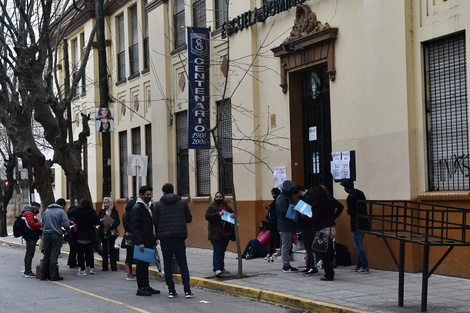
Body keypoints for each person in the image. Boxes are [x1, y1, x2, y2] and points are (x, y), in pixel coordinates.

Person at [153, 183, 193, 298]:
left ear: (163, 192)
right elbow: (189, 218)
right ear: (173, 190)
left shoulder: (159, 205)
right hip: (179, 238)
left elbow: (154, 221)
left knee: (168, 264)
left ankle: (171, 290)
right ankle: (187, 291)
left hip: (165, 238)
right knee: (183, 264)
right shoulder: (182, 202)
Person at [131, 186, 160, 296]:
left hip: (149, 239)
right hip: (142, 241)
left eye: (150, 195)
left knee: (146, 264)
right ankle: (140, 287)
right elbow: (135, 227)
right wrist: (140, 242)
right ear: (141, 195)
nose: (149, 197)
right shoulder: (137, 208)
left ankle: (146, 285)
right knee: (141, 265)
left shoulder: (149, 207)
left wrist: (155, 237)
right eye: (147, 195)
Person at [340, 179, 370, 274]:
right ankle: (359, 264)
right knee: (359, 243)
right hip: (364, 221)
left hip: (356, 222)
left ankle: (364, 266)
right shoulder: (360, 193)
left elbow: (350, 211)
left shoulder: (350, 198)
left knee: (358, 245)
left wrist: (348, 210)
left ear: (346, 188)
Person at [205, 191, 235, 277]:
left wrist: (233, 215)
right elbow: (207, 216)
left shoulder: (226, 206)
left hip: (226, 232)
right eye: (217, 197)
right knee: (217, 250)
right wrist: (218, 214)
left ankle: (221, 268)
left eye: (220, 197)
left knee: (222, 251)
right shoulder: (212, 207)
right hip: (216, 233)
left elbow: (232, 213)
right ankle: (216, 268)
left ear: (223, 197)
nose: (218, 198)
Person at [311, 186, 337, 281]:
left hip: (322, 231)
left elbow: (316, 219)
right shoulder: (329, 202)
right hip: (331, 229)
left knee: (324, 254)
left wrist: (305, 217)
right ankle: (330, 271)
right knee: (328, 252)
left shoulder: (318, 204)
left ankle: (329, 274)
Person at [40, 199, 70, 281]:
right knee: (54, 255)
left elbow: (42, 224)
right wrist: (66, 230)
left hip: (46, 235)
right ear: (63, 205)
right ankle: (53, 275)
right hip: (56, 235)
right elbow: (66, 225)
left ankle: (42, 274)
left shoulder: (46, 211)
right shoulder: (61, 212)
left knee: (46, 254)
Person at [69, 198, 100, 276]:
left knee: (80, 253)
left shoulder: (76, 210)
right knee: (89, 252)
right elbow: (97, 222)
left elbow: (67, 214)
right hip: (90, 235)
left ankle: (82, 269)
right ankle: (91, 267)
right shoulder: (92, 211)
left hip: (79, 234)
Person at [293, 185, 319, 276]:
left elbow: (306, 213)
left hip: (307, 226)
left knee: (310, 247)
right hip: (306, 225)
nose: (297, 197)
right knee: (308, 248)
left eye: (297, 194)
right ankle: (309, 266)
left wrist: (297, 211)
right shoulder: (310, 197)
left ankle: (313, 267)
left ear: (300, 191)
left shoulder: (307, 198)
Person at [276, 180, 298, 273]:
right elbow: (284, 211)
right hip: (285, 225)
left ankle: (287, 265)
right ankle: (286, 265)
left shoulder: (287, 197)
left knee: (287, 245)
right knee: (286, 245)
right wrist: (293, 216)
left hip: (289, 225)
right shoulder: (282, 198)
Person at [98, 197, 121, 271]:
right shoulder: (102, 211)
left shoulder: (114, 211)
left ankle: (113, 266)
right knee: (104, 250)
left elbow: (118, 221)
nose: (105, 204)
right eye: (104, 203)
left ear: (110, 203)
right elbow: (98, 220)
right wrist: (100, 221)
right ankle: (105, 267)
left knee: (112, 249)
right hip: (103, 231)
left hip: (111, 232)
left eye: (107, 203)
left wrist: (112, 225)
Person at [21, 202, 42, 278]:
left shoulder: (29, 213)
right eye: (38, 209)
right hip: (30, 236)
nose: (38, 211)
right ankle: (28, 271)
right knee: (29, 254)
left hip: (30, 235)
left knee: (29, 253)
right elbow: (31, 225)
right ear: (35, 207)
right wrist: (41, 224)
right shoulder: (29, 213)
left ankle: (28, 270)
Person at [122, 198, 136, 280]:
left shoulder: (129, 214)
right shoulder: (127, 215)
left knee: (131, 256)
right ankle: (128, 272)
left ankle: (130, 272)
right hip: (129, 238)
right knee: (129, 257)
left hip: (131, 237)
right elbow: (127, 226)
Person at [265, 187, 280, 260]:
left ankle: (272, 252)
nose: (272, 196)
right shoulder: (276, 201)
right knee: (274, 238)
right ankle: (272, 252)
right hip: (274, 222)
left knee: (274, 238)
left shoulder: (276, 202)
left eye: (273, 194)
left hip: (275, 222)